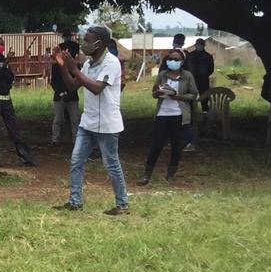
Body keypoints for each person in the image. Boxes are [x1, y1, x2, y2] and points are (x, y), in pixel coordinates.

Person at [52, 26, 129, 215]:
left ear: (99, 43)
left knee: (111, 164)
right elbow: (72, 86)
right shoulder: (88, 63)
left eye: (87, 40)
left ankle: (122, 204)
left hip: (107, 124)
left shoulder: (111, 63)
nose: (83, 44)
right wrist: (63, 67)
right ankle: (75, 201)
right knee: (76, 161)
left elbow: (96, 88)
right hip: (88, 122)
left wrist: (73, 69)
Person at [138, 49, 198, 185]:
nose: (173, 62)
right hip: (162, 113)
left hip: (179, 114)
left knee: (176, 145)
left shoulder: (187, 76)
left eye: (176, 59)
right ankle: (146, 174)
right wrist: (159, 92)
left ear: (182, 62)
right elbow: (154, 93)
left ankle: (170, 174)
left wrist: (178, 96)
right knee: (156, 144)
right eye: (170, 59)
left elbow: (193, 94)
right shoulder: (162, 75)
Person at [0, 36, 36, 166]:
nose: (0, 46)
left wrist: (6, 69)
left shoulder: (2, 59)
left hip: (6, 98)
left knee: (14, 128)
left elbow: (10, 76)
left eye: (2, 44)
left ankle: (25, 157)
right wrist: (6, 63)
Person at [51, 30, 81, 145]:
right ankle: (55, 140)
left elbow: (79, 80)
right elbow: (54, 82)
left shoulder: (75, 67)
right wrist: (62, 93)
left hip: (72, 95)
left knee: (74, 119)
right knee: (58, 119)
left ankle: (76, 139)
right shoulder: (56, 67)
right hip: (60, 96)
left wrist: (70, 92)